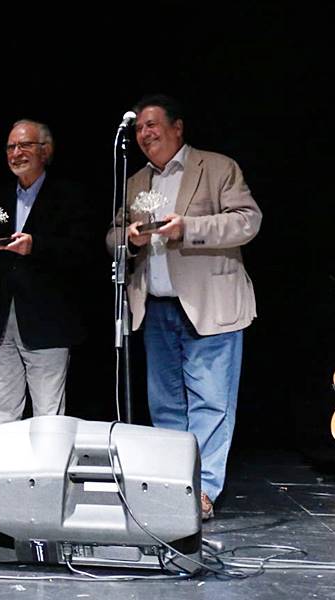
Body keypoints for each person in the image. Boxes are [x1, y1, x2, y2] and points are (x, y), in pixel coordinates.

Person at [105, 94, 262, 520]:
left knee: (211, 401)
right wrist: (128, 237)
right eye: (139, 128)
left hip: (210, 307)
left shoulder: (216, 167)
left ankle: (204, 490)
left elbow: (247, 220)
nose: (145, 133)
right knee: (166, 405)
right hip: (155, 308)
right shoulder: (136, 181)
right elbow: (113, 234)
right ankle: (174, 487)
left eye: (153, 124)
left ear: (178, 128)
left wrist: (187, 228)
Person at [0, 120, 87, 425]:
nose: (16, 153)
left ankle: (47, 473)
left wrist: (35, 246)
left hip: (48, 321)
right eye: (11, 147)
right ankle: (1, 472)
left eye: (25, 145)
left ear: (45, 151)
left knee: (48, 414)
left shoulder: (68, 195)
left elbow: (81, 252)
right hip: (0, 320)